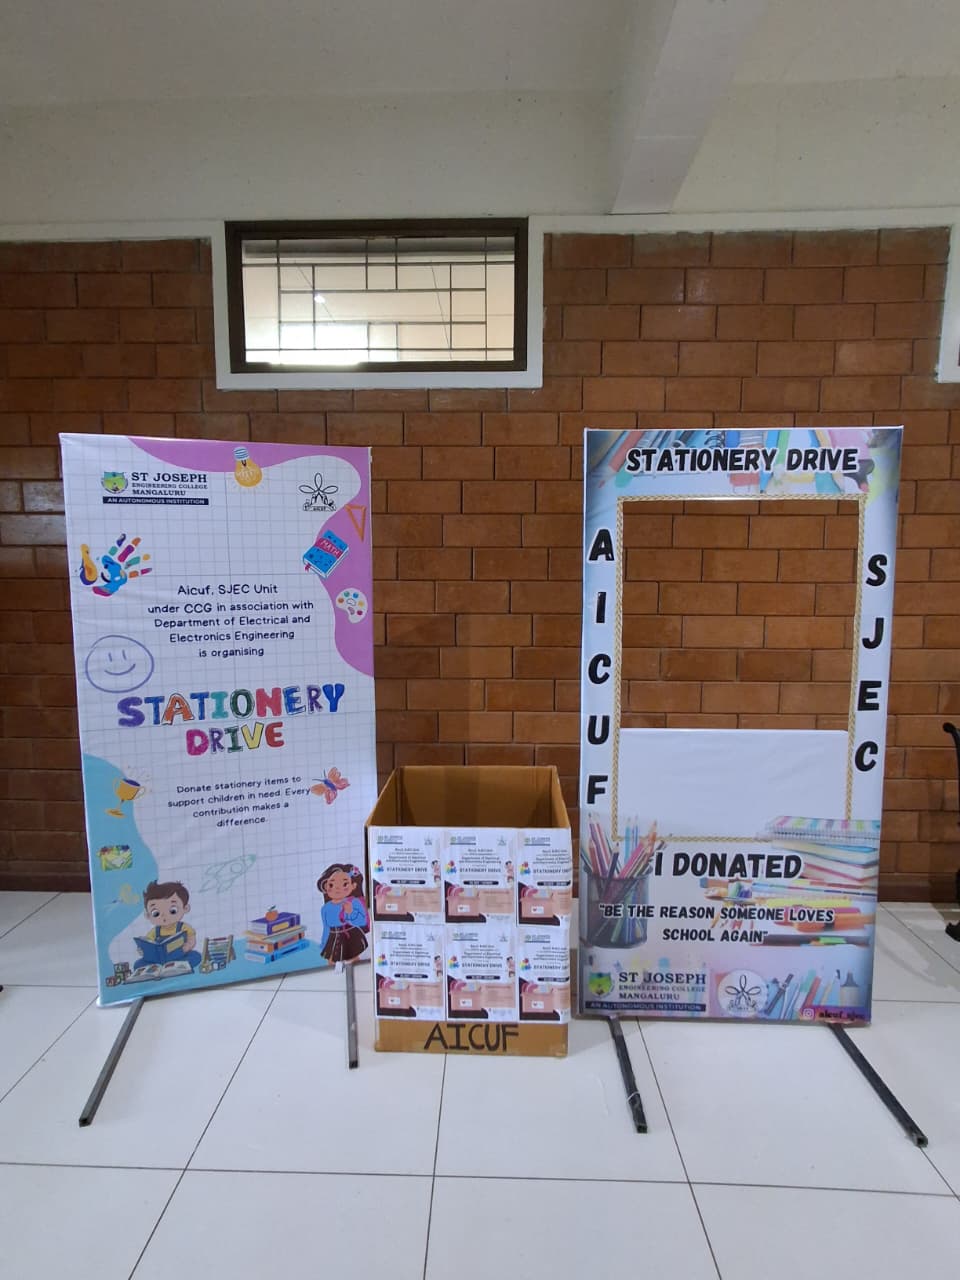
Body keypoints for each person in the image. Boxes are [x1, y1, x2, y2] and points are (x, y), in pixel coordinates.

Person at [135, 879, 201, 970]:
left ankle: (174, 967)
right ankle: (161, 968)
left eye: (172, 910)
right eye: (156, 913)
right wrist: (143, 951)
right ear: (148, 915)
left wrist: (188, 946)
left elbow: (191, 938)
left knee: (195, 956)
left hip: (180, 956)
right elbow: (148, 944)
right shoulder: (154, 931)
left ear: (185, 908)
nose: (164, 916)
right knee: (138, 964)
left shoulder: (184, 927)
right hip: (158, 960)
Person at [317, 863, 369, 963]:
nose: (337, 888)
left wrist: (351, 912)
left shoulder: (354, 902)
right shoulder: (325, 908)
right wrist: (323, 943)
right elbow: (326, 928)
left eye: (344, 884)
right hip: (333, 938)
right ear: (325, 886)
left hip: (351, 936)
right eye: (331, 885)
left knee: (354, 961)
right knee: (331, 961)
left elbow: (362, 921)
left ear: (353, 886)